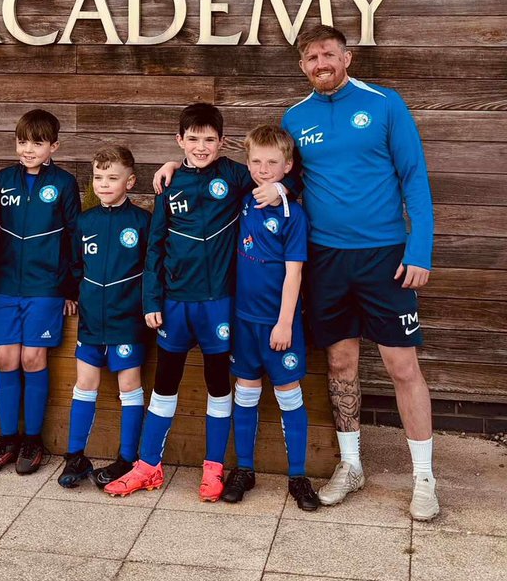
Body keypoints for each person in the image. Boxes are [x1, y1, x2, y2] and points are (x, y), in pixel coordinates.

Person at [281, 24, 438, 522]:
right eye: (311, 57)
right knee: (342, 365)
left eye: (329, 53)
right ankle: (351, 466)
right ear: (303, 66)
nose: (321, 63)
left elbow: (414, 177)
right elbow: (274, 175)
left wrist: (420, 249)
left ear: (346, 57)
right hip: (326, 260)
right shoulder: (296, 117)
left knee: (402, 367)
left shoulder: (385, 103)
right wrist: (181, 168)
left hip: (385, 258)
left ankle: (424, 478)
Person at [107, 103, 299, 501]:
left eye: (209, 139)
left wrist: (283, 188)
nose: (200, 146)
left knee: (218, 386)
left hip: (218, 305)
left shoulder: (234, 174)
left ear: (222, 142)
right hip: (175, 303)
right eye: (192, 139)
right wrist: (151, 300)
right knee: (164, 385)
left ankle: (213, 469)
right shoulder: (168, 183)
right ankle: (148, 466)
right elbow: (155, 246)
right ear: (179, 141)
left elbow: (277, 177)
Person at [221, 125, 319, 511]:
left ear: (287, 165)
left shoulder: (294, 215)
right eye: (256, 162)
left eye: (272, 163)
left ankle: (298, 475)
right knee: (245, 391)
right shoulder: (243, 200)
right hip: (242, 319)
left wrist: (284, 322)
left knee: (287, 394)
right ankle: (244, 469)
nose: (263, 169)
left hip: (280, 323)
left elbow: (294, 274)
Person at [0, 108, 81, 476]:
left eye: (37, 143)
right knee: (6, 359)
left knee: (32, 359)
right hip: (8, 285)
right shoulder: (4, 179)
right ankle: (8, 439)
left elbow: (75, 236)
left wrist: (71, 287)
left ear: (53, 145)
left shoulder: (65, 183)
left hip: (46, 287)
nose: (28, 149)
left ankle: (32, 440)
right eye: (22, 141)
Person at [58, 145, 149, 490]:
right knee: (85, 385)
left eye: (113, 177)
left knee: (129, 386)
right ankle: (75, 456)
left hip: (127, 322)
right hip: (91, 322)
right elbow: (76, 267)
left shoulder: (142, 222)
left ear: (130, 181)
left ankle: (127, 458)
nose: (105, 184)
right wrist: (72, 294)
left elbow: (151, 271)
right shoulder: (85, 222)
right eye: (98, 177)